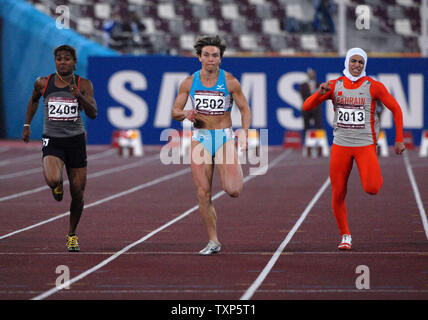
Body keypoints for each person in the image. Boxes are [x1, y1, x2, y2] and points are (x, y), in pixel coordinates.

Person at [303, 47, 405, 250]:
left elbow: (396, 109)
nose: (357, 65)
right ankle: (345, 235)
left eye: (360, 62)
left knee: (372, 188)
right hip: (340, 146)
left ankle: (374, 172)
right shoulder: (334, 85)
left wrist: (399, 139)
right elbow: (307, 106)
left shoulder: (373, 86)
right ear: (347, 62)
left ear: (364, 65)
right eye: (354, 61)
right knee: (338, 192)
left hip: (364, 145)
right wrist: (318, 94)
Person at [172, 35, 251, 255]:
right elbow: (175, 111)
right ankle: (213, 241)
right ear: (199, 57)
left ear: (220, 58)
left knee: (233, 190)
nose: (210, 59)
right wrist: (185, 113)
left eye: (215, 55)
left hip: (224, 137)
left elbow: (245, 109)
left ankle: (233, 169)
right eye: (206, 55)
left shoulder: (230, 82)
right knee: (203, 193)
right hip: (200, 138)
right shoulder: (189, 82)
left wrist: (244, 132)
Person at [22, 45, 97, 252]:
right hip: (52, 140)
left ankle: (72, 234)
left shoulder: (84, 84)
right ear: (54, 61)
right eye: (59, 59)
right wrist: (27, 124)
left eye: (67, 59)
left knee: (78, 194)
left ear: (74, 62)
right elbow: (34, 100)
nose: (62, 62)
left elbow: (93, 113)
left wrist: (79, 97)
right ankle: (56, 186)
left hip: (75, 142)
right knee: (54, 178)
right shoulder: (43, 83)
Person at [299, 68, 323, 139]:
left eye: (313, 74)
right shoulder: (303, 85)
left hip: (316, 108)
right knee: (306, 126)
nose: (311, 75)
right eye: (310, 74)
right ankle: (306, 142)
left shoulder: (319, 85)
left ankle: (320, 142)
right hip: (307, 108)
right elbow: (303, 96)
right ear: (308, 75)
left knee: (319, 125)